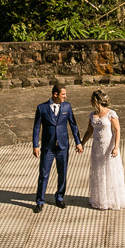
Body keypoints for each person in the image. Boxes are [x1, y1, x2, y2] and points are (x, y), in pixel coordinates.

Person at [80, 89, 125, 210]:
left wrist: (116, 147)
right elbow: (89, 131)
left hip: (108, 146)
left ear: (96, 101)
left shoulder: (111, 114)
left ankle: (113, 198)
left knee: (110, 171)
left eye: (91, 99)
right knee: (99, 171)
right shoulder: (92, 115)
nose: (90, 101)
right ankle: (101, 199)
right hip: (97, 147)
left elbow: (117, 131)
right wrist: (82, 143)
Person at [32, 82, 83, 213]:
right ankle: (39, 201)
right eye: (63, 94)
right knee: (43, 174)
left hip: (63, 147)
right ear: (56, 94)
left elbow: (73, 125)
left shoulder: (67, 106)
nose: (65, 96)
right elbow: (37, 127)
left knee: (63, 173)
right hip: (47, 147)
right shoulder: (41, 108)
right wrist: (35, 145)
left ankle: (59, 197)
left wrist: (78, 142)